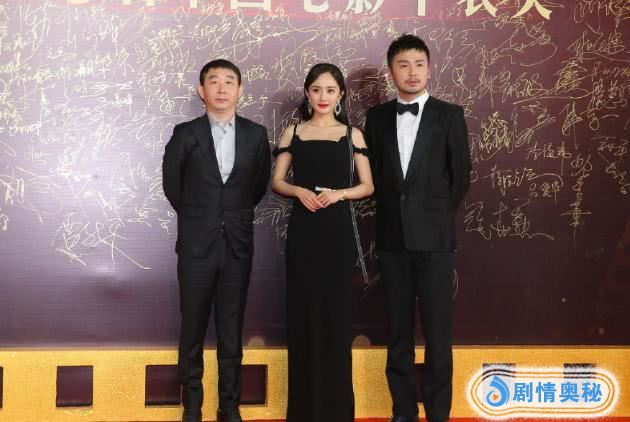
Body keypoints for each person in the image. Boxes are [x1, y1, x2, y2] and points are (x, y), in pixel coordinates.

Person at [364, 34, 472, 422]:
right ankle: (403, 411)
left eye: (419, 64)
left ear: (429, 69)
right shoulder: (376, 118)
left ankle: (439, 413)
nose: (412, 72)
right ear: (391, 71)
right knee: (397, 332)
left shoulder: (449, 115)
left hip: (435, 241)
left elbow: (460, 177)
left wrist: (432, 217)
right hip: (392, 240)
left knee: (438, 334)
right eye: (403, 65)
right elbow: (375, 175)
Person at [162, 59, 271, 422]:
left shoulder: (256, 135)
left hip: (237, 245)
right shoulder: (185, 134)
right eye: (214, 81)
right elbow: (173, 187)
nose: (222, 88)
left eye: (229, 82)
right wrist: (202, 217)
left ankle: (230, 406)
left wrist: (229, 216)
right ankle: (192, 407)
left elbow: (257, 187)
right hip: (196, 246)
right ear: (201, 90)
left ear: (240, 90)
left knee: (231, 328)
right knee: (192, 328)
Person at [271, 63, 374, 422]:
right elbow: (277, 181)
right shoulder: (293, 132)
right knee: (303, 318)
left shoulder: (353, 135)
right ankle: (304, 412)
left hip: (336, 233)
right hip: (304, 232)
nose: (323, 97)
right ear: (307, 93)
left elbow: (367, 186)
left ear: (341, 94)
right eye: (316, 90)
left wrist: (339, 194)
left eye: (330, 90)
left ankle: (336, 411)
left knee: (336, 319)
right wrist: (299, 191)